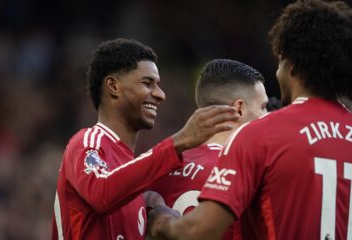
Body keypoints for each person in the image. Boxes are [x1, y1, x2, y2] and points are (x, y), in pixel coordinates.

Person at [148, 1, 352, 239]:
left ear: (291, 67)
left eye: (280, 61)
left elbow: (199, 231)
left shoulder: (260, 135)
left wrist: (160, 220)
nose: (277, 71)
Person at [52, 38, 240, 240]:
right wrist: (178, 142)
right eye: (148, 83)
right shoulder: (89, 141)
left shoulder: (134, 179)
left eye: (158, 85)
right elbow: (102, 193)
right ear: (113, 86)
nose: (160, 94)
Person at [145, 59, 268, 239]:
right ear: (239, 109)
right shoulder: (239, 172)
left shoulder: (152, 166)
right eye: (263, 107)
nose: (268, 116)